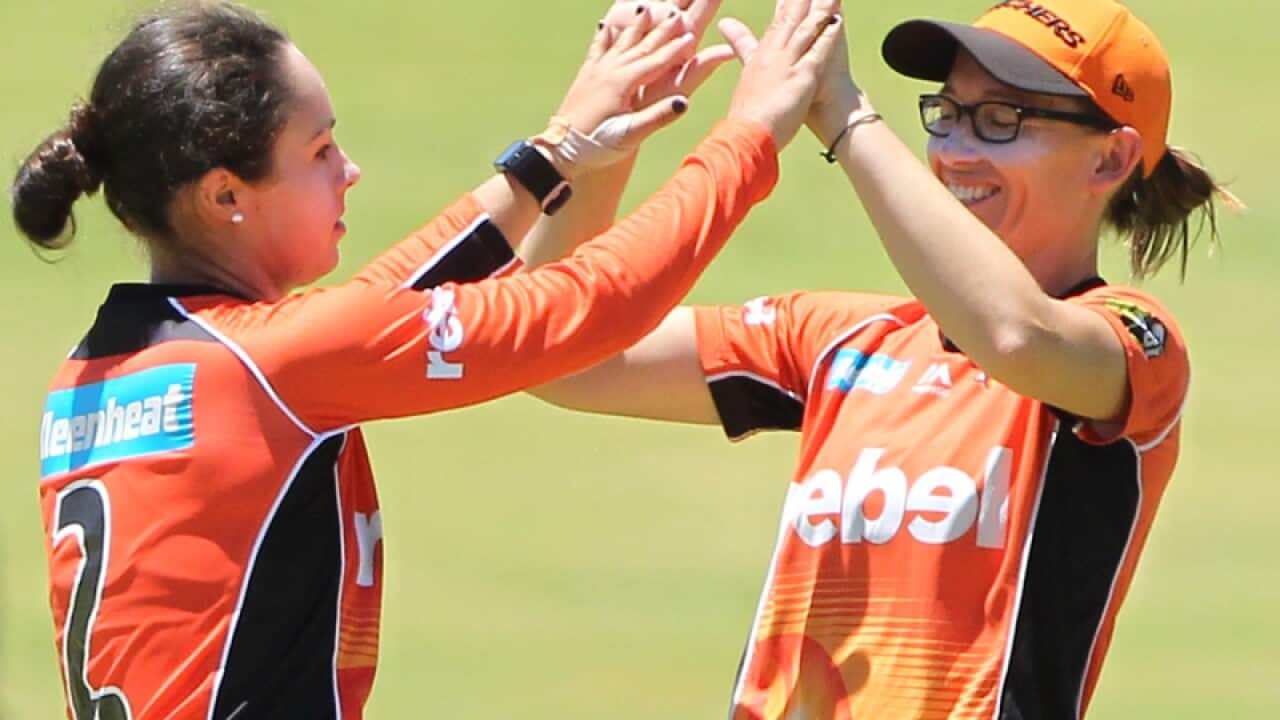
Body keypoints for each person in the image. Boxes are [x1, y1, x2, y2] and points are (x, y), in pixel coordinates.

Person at [13, 0, 846, 716]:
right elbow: (593, 302)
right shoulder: (273, 364)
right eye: (320, 151)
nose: (351, 171)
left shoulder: (101, 373)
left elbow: (370, 312)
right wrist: (752, 131)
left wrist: (554, 152)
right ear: (225, 194)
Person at [529, 0, 1240, 716]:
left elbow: (1014, 336)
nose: (956, 150)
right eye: (949, 114)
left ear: (1111, 157)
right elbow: (556, 355)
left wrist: (846, 116)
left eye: (1002, 121)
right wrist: (589, 143)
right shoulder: (843, 338)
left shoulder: (1130, 342)